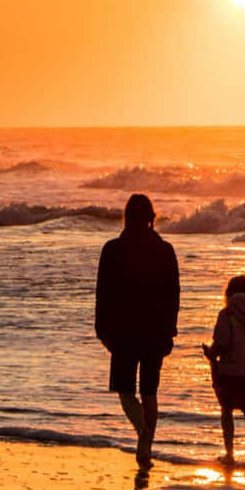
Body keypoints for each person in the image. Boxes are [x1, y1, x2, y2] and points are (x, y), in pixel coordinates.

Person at [95, 194, 180, 469]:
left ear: (127, 217)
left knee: (124, 390)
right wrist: (171, 330)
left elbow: (103, 293)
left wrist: (101, 328)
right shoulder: (165, 250)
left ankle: (142, 434)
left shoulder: (112, 249)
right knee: (150, 391)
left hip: (122, 329)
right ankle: (146, 447)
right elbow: (173, 295)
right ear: (151, 218)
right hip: (155, 329)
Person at [203, 274, 245, 468]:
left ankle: (230, 454)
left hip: (229, 371)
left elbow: (222, 341)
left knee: (227, 411)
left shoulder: (227, 314)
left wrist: (211, 353)